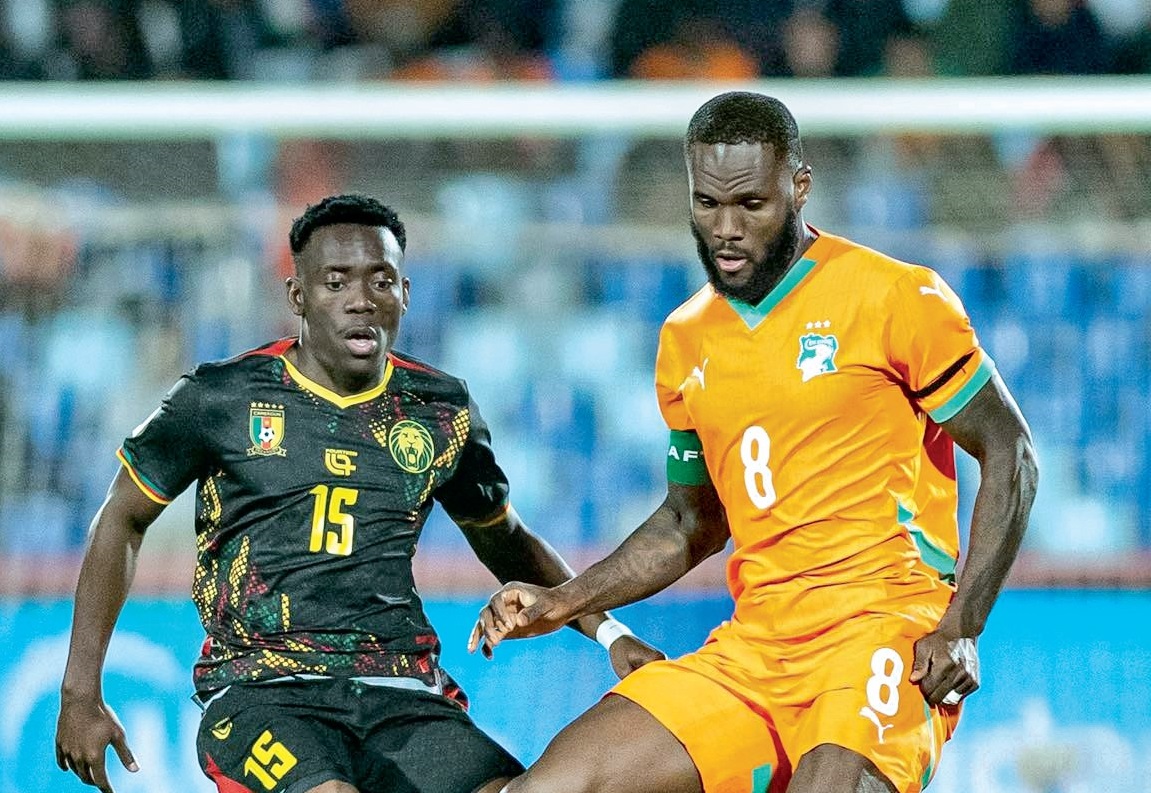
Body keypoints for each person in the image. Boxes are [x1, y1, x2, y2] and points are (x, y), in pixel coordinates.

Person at [471, 92, 1039, 793]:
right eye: (707, 204)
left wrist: (962, 625)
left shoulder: (894, 297)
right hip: (755, 647)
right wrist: (562, 600)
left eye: (750, 204)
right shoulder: (686, 338)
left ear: (798, 187)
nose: (726, 229)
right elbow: (690, 522)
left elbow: (1011, 452)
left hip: (881, 628)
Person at [54, 194, 663, 793]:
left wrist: (609, 633)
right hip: (262, 691)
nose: (361, 300)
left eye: (381, 281)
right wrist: (81, 692)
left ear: (405, 293)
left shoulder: (440, 410)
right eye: (336, 282)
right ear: (298, 295)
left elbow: (505, 538)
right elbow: (121, 519)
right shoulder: (221, 397)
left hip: (400, 690)